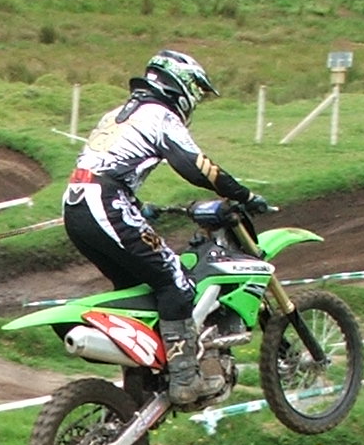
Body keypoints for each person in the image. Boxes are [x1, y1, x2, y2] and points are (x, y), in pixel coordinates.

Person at [62, 48, 266, 405]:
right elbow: (195, 166)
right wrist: (242, 193)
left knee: (140, 291)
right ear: (180, 85)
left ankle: (139, 387)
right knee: (176, 283)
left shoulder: (117, 115)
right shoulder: (160, 115)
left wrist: (138, 206)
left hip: (77, 204)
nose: (195, 101)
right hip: (106, 204)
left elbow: (102, 165)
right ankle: (185, 380)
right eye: (196, 91)